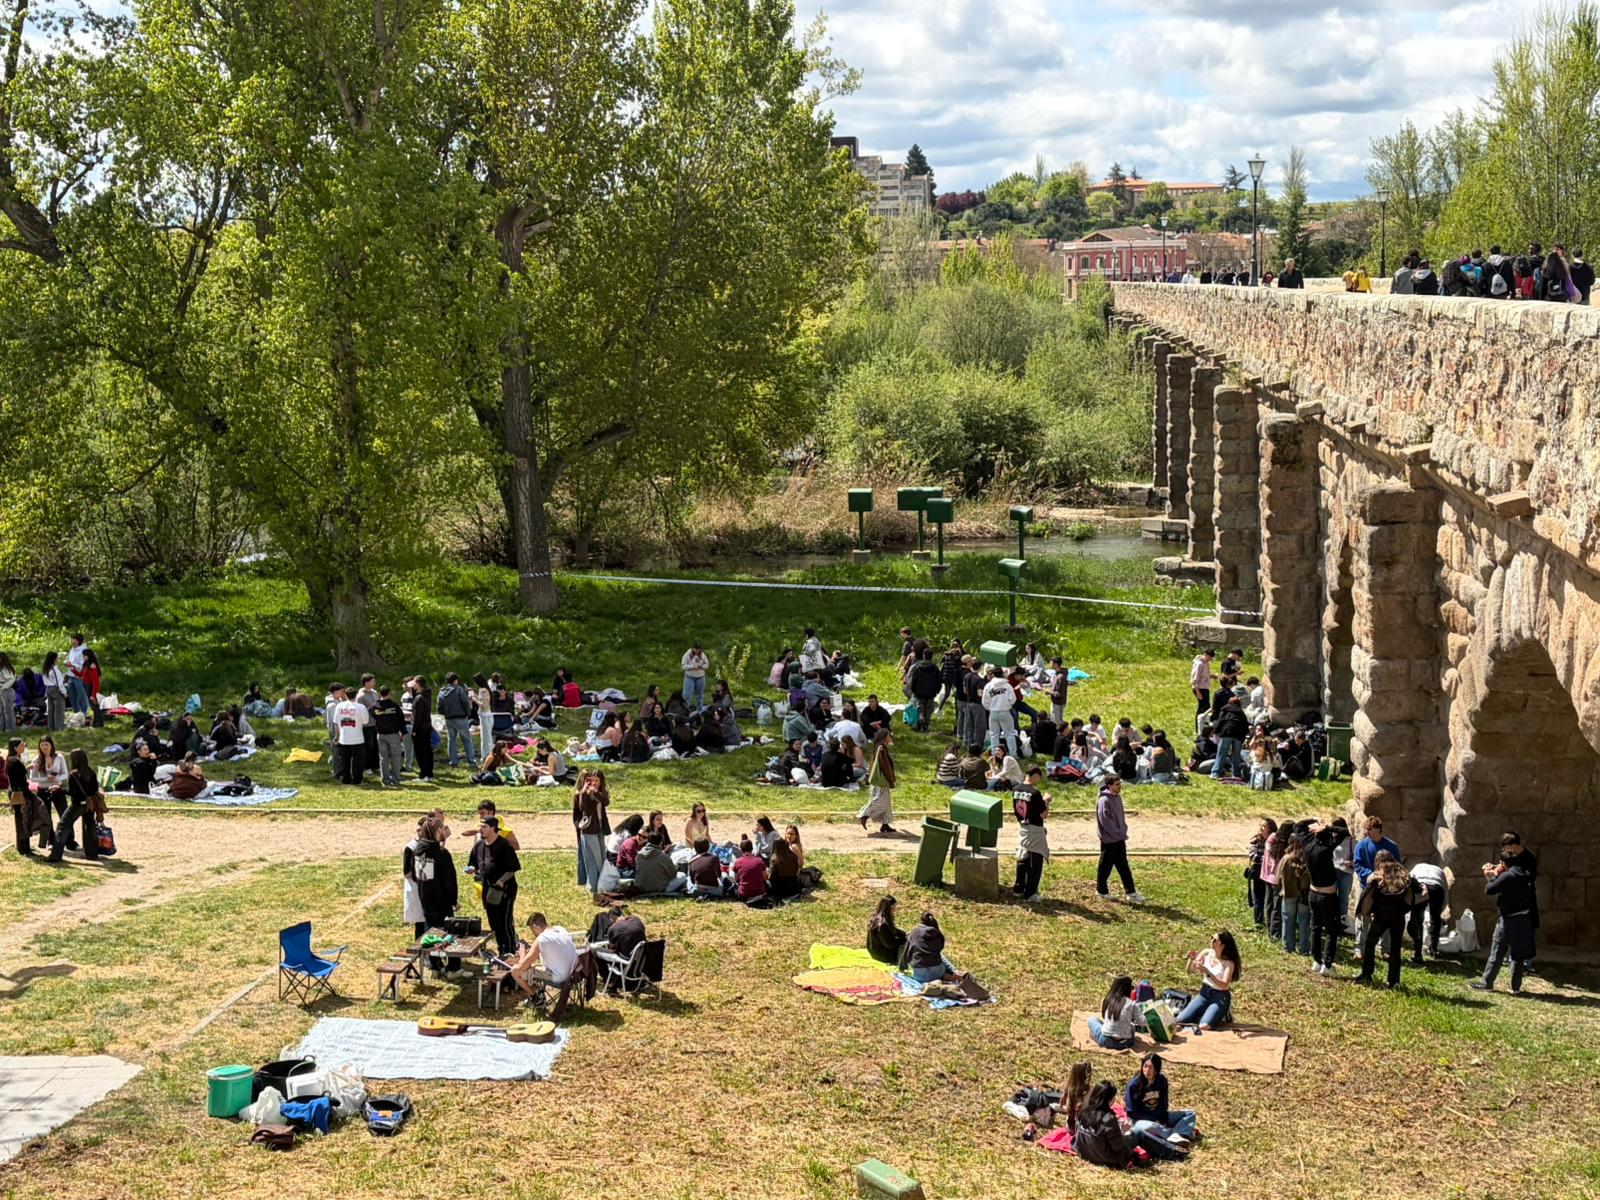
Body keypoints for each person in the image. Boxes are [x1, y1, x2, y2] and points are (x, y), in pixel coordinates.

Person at [1470, 832, 1539, 995]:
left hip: (1507, 919)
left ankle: (1487, 983)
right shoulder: (1524, 874)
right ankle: (1515, 988)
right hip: (1524, 916)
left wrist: (1491, 876)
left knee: (1497, 952)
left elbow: (1490, 889)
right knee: (1518, 955)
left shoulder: (1508, 876)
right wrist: (1501, 871)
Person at [1073, 1080, 1186, 1166]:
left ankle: (1171, 1149)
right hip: (1108, 1158)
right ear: (1108, 1100)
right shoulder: (1108, 1118)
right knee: (1138, 1132)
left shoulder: (1084, 1111)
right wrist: (1124, 1132)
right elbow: (1117, 1146)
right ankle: (1172, 1152)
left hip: (1087, 1153)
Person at [1355, 850, 1420, 988]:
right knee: (1395, 948)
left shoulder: (1377, 877)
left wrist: (1366, 912)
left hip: (1381, 917)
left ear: (1377, 862)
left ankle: (1367, 974)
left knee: (1370, 943)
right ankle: (1394, 981)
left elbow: (1368, 897)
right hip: (1398, 917)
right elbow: (1418, 889)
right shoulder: (1404, 876)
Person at [1298, 817, 1348, 976]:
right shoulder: (1326, 848)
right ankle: (1327, 965)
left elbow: (1298, 825)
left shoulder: (1307, 844)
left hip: (1313, 893)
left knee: (1315, 928)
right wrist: (1326, 827)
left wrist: (1313, 821)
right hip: (1327, 896)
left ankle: (1316, 961)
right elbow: (1346, 832)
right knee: (1331, 931)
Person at [470, 816, 521, 956]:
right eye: (480, 827)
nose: (480, 829)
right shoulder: (479, 845)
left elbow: (513, 868)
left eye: (484, 827)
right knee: (494, 923)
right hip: (488, 890)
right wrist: (471, 869)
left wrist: (501, 881)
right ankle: (501, 950)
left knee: (504, 922)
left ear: (493, 828)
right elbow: (473, 863)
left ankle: (510, 952)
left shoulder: (503, 845)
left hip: (504, 890)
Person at [1125, 1054, 1198, 1148]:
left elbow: (1164, 1104)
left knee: (1190, 1114)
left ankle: (1176, 1135)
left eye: (1150, 1067)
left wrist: (1162, 1118)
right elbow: (1132, 1112)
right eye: (1145, 1066)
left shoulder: (1162, 1081)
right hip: (1140, 1120)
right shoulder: (1133, 1085)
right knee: (1153, 1126)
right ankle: (1180, 1134)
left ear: (1156, 1069)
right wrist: (1153, 1119)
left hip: (1158, 1117)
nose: (1147, 1070)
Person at [1176, 931, 1240, 1030]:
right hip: (1204, 994)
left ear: (1223, 945)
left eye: (1215, 940)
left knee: (1204, 1026)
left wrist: (1208, 973)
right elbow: (1189, 971)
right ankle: (1205, 1012)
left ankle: (1221, 1011)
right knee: (1181, 1020)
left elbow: (1224, 985)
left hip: (1219, 998)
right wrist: (1192, 959)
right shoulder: (1206, 953)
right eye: (1211, 938)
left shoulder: (1228, 963)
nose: (1211, 941)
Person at [1095, 777, 1145, 903]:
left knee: (1123, 866)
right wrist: (1117, 833)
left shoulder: (1117, 798)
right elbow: (1105, 821)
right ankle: (1101, 891)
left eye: (1119, 784)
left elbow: (1120, 817)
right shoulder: (1104, 800)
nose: (1119, 786)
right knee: (1105, 866)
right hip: (1110, 840)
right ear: (1109, 785)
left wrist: (1123, 830)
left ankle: (1131, 892)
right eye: (1117, 784)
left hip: (1119, 838)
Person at [50, 747, 102, 862]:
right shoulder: (91, 772)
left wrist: (60, 790)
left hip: (77, 804)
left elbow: (74, 793)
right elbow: (95, 789)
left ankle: (55, 855)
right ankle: (92, 854)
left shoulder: (74, 774)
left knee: (63, 826)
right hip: (89, 804)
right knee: (90, 827)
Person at [510, 912, 578, 999]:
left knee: (515, 971)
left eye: (532, 930)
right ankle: (539, 992)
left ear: (535, 927)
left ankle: (536, 998)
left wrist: (522, 954)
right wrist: (533, 950)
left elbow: (522, 967)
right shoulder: (560, 929)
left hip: (561, 978)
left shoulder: (542, 939)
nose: (533, 934)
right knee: (536, 967)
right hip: (574, 974)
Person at [1012, 765, 1050, 902]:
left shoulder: (1015, 790)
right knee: (1035, 861)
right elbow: (1044, 814)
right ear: (1035, 775)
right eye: (1039, 777)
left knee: (1023, 858)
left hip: (1023, 827)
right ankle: (1030, 892)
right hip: (1035, 830)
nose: (1039, 781)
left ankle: (1018, 888)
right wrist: (1046, 801)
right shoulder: (1035, 793)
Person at [572, 770, 609, 896]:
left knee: (602, 856)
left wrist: (596, 792)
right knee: (592, 858)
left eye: (596, 780)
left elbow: (606, 802)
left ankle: (602, 883)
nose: (593, 783)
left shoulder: (600, 792)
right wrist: (586, 792)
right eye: (590, 780)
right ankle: (593, 886)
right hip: (589, 829)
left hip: (600, 826)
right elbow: (584, 808)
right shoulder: (582, 793)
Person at [1278, 825, 1312, 954]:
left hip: (1289, 893)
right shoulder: (1308, 858)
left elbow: (1278, 877)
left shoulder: (1286, 858)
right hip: (1304, 894)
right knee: (1304, 923)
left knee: (1288, 921)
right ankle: (1304, 948)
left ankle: (1288, 947)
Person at [29, 735, 69, 846]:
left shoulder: (59, 757)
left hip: (56, 789)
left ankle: (69, 840)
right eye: (42, 745)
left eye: (46, 744)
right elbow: (33, 778)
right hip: (43, 790)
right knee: (46, 816)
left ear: (51, 745)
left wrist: (56, 779)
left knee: (64, 814)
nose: (44, 747)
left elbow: (65, 774)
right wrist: (46, 779)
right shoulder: (36, 760)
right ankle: (51, 840)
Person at [856, 727, 897, 834]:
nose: (890, 737)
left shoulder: (878, 747)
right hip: (881, 781)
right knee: (880, 801)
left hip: (877, 781)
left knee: (886, 804)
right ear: (884, 737)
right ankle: (864, 814)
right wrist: (891, 780)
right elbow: (885, 766)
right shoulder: (881, 749)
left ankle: (885, 825)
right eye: (888, 735)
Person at [1407, 860, 1448, 961]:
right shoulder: (1439, 870)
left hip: (1421, 886)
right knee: (1435, 919)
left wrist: (1410, 906)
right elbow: (1445, 890)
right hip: (1436, 887)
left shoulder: (1417, 866)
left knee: (1417, 919)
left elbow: (1409, 880)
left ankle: (1417, 953)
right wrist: (1440, 910)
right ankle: (1433, 949)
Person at [898, 911, 953, 983]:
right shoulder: (938, 933)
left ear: (921, 922)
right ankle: (952, 972)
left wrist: (902, 967)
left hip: (921, 974)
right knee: (940, 956)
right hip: (938, 972)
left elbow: (906, 953)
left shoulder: (915, 932)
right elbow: (941, 947)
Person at [331, 685, 369, 785]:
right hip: (357, 738)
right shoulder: (361, 707)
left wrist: (337, 736)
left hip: (344, 738)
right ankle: (357, 780)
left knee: (344, 761)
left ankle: (346, 779)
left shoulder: (339, 706)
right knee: (358, 761)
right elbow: (366, 721)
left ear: (345, 695)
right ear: (356, 695)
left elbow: (336, 722)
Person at [1087, 975, 1137, 1049]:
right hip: (1126, 1043)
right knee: (1131, 1026)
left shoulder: (1107, 1000)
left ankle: (1096, 1036)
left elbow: (1104, 1017)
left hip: (1106, 1041)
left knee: (1091, 1020)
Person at [633, 828, 684, 894]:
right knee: (683, 875)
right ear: (660, 843)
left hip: (641, 887)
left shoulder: (639, 855)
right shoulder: (664, 857)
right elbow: (673, 874)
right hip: (659, 888)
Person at [8, 737, 35, 856]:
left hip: (17, 792)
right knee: (22, 820)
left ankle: (25, 846)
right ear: (15, 748)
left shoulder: (14, 759)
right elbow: (20, 781)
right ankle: (23, 848)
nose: (23, 747)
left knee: (23, 820)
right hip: (19, 793)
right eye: (21, 745)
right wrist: (29, 794)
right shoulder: (14, 761)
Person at [906, 647, 941, 732]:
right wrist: (936, 691)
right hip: (930, 693)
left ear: (924, 656)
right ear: (932, 656)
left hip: (919, 692)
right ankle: (926, 725)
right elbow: (939, 681)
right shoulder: (935, 668)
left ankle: (920, 721)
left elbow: (914, 680)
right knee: (928, 709)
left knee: (919, 708)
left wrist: (914, 690)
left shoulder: (918, 668)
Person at [866, 895, 906, 964]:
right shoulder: (882, 924)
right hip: (883, 955)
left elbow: (894, 931)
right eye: (894, 908)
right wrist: (904, 939)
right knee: (909, 946)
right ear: (889, 908)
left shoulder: (876, 918)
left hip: (876, 952)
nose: (895, 910)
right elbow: (890, 944)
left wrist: (904, 933)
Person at [769, 834, 803, 900]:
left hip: (781, 891)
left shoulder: (774, 859)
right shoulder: (793, 855)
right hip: (794, 888)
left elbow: (771, 876)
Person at [40, 651, 66, 732]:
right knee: (59, 709)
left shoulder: (45, 669)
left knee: (51, 709)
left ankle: (51, 726)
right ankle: (59, 727)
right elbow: (59, 682)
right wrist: (64, 692)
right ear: (54, 659)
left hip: (48, 689)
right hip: (56, 689)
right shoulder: (54, 669)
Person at [681, 642, 709, 713]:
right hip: (690, 677)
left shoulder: (702, 655)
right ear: (693, 648)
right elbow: (683, 666)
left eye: (699, 650)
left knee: (700, 696)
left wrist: (701, 666)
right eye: (696, 649)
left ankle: (699, 711)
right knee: (687, 695)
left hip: (700, 677)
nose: (697, 651)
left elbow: (707, 665)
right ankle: (685, 711)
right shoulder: (687, 655)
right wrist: (692, 667)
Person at [1189, 648, 1212, 718]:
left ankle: (1203, 721)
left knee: (1206, 707)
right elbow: (1195, 678)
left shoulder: (1206, 664)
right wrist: (1197, 691)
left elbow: (1204, 675)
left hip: (1205, 687)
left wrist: (1211, 676)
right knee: (1203, 707)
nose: (1210, 659)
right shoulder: (1199, 664)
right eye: (1209, 657)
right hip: (1200, 688)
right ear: (1205, 654)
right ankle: (1199, 721)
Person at [0, 653, 15, 732]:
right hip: (2, 690)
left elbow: (12, 679)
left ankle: (10, 729)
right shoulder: (1, 668)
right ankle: (2, 727)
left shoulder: (6, 669)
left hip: (6, 691)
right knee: (1, 710)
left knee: (7, 710)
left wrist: (4, 687)